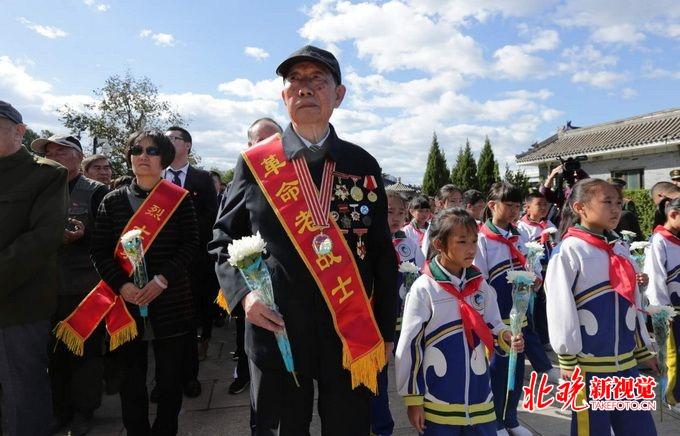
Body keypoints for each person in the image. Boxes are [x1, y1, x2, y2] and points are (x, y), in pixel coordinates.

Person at [210, 45, 398, 435]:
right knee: (279, 427)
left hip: (347, 327)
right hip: (276, 324)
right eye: (295, 81)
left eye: (317, 80)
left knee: (348, 426)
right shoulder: (256, 162)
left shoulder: (362, 163)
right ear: (284, 97)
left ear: (339, 94)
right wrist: (245, 296)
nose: (305, 88)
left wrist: (385, 330)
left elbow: (381, 251)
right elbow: (222, 238)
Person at [89, 130, 199, 435]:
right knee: (130, 379)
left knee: (170, 378)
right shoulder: (112, 201)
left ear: (163, 158)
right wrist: (123, 286)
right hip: (126, 303)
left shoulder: (178, 199)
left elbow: (190, 244)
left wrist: (162, 281)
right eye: (137, 150)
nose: (143, 156)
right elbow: (99, 251)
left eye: (151, 151)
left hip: (171, 300)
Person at [396, 208, 524, 436]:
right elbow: (410, 345)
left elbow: (494, 324)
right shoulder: (424, 288)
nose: (471, 248)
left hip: (480, 398)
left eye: (474, 240)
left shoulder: (480, 285)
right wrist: (413, 398)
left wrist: (506, 336)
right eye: (462, 241)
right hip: (439, 402)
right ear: (438, 244)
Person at [546, 178, 657, 436]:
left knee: (639, 429)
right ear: (579, 208)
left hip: (627, 366)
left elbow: (633, 302)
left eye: (618, 202)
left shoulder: (620, 248)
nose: (616, 209)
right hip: (588, 368)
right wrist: (567, 358)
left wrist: (643, 350)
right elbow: (560, 306)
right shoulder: (569, 251)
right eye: (607, 202)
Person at [30, 134, 109, 435]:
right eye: (48, 153)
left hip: (84, 287)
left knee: (85, 352)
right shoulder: (38, 188)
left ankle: (84, 411)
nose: (53, 157)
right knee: (53, 353)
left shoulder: (97, 192)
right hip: (44, 285)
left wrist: (84, 236)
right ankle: (59, 409)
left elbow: (109, 239)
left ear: (77, 156)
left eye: (60, 152)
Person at [0, 101, 69, 435]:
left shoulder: (46, 174)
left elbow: (41, 239)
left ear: (20, 131)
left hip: (18, 308)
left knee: (22, 400)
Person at [473, 182, 534, 436]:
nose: (513, 210)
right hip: (496, 317)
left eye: (517, 206)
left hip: (519, 315)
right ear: (492, 205)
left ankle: (511, 418)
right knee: (496, 371)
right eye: (508, 205)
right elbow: (480, 281)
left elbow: (531, 267)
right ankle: (494, 422)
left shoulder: (520, 237)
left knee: (517, 369)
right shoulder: (482, 239)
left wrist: (534, 278)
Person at [229, 119, 284, 397]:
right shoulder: (244, 178)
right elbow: (223, 238)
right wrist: (243, 293)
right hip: (255, 298)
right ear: (249, 146)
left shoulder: (297, 181)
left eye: (273, 140)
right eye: (258, 142)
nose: (266, 147)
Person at [163, 126, 218, 397]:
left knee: (190, 319)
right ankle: (164, 382)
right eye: (166, 138)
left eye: (174, 138)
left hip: (194, 262)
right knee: (162, 325)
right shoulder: (153, 176)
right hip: (159, 263)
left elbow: (211, 217)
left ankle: (189, 376)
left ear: (187, 145)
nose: (168, 142)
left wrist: (184, 236)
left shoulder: (202, 179)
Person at [370, 191, 425, 436]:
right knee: (377, 378)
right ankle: (381, 427)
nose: (395, 217)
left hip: (406, 321)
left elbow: (423, 275)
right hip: (377, 322)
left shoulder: (408, 244)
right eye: (389, 211)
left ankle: (424, 417)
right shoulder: (369, 242)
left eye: (400, 212)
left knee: (412, 368)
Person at [515, 191, 561, 383]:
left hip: (547, 271)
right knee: (529, 317)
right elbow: (524, 253)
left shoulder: (549, 225)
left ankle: (544, 341)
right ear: (527, 207)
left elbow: (556, 246)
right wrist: (532, 276)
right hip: (529, 275)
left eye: (545, 205)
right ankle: (540, 361)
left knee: (544, 309)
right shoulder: (521, 227)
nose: (543, 208)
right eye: (539, 205)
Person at [644, 196, 680, 409]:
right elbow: (655, 278)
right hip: (672, 311)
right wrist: (662, 312)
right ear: (673, 214)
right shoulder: (659, 241)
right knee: (673, 355)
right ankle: (672, 396)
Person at [421, 185, 463, 258]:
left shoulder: (462, 222)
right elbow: (427, 250)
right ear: (441, 204)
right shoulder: (436, 224)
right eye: (453, 201)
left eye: (460, 201)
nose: (458, 205)